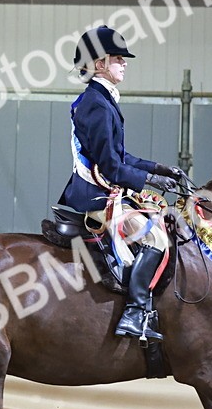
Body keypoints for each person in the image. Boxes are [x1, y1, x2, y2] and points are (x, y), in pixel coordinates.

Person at [58, 25, 188, 342]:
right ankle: (135, 312)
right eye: (118, 58)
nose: (124, 63)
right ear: (100, 63)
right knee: (156, 240)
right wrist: (149, 181)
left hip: (104, 193)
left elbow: (120, 155)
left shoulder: (102, 101)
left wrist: (160, 169)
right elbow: (111, 167)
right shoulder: (96, 104)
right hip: (95, 198)